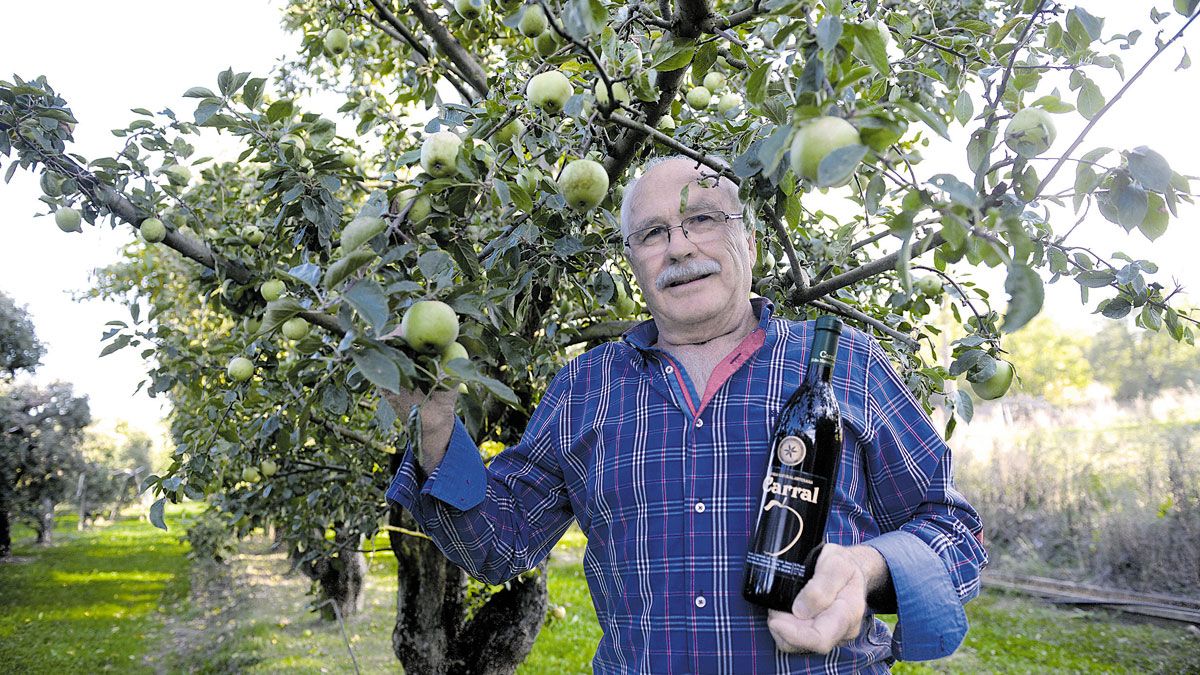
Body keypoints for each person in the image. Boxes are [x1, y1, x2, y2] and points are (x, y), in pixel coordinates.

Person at [385, 156, 987, 673]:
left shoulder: (843, 365)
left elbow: (955, 537)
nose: (678, 245)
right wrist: (436, 431)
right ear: (633, 261)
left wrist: (867, 567)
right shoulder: (585, 387)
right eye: (652, 233)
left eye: (701, 219)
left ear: (748, 241)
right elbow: (498, 545)